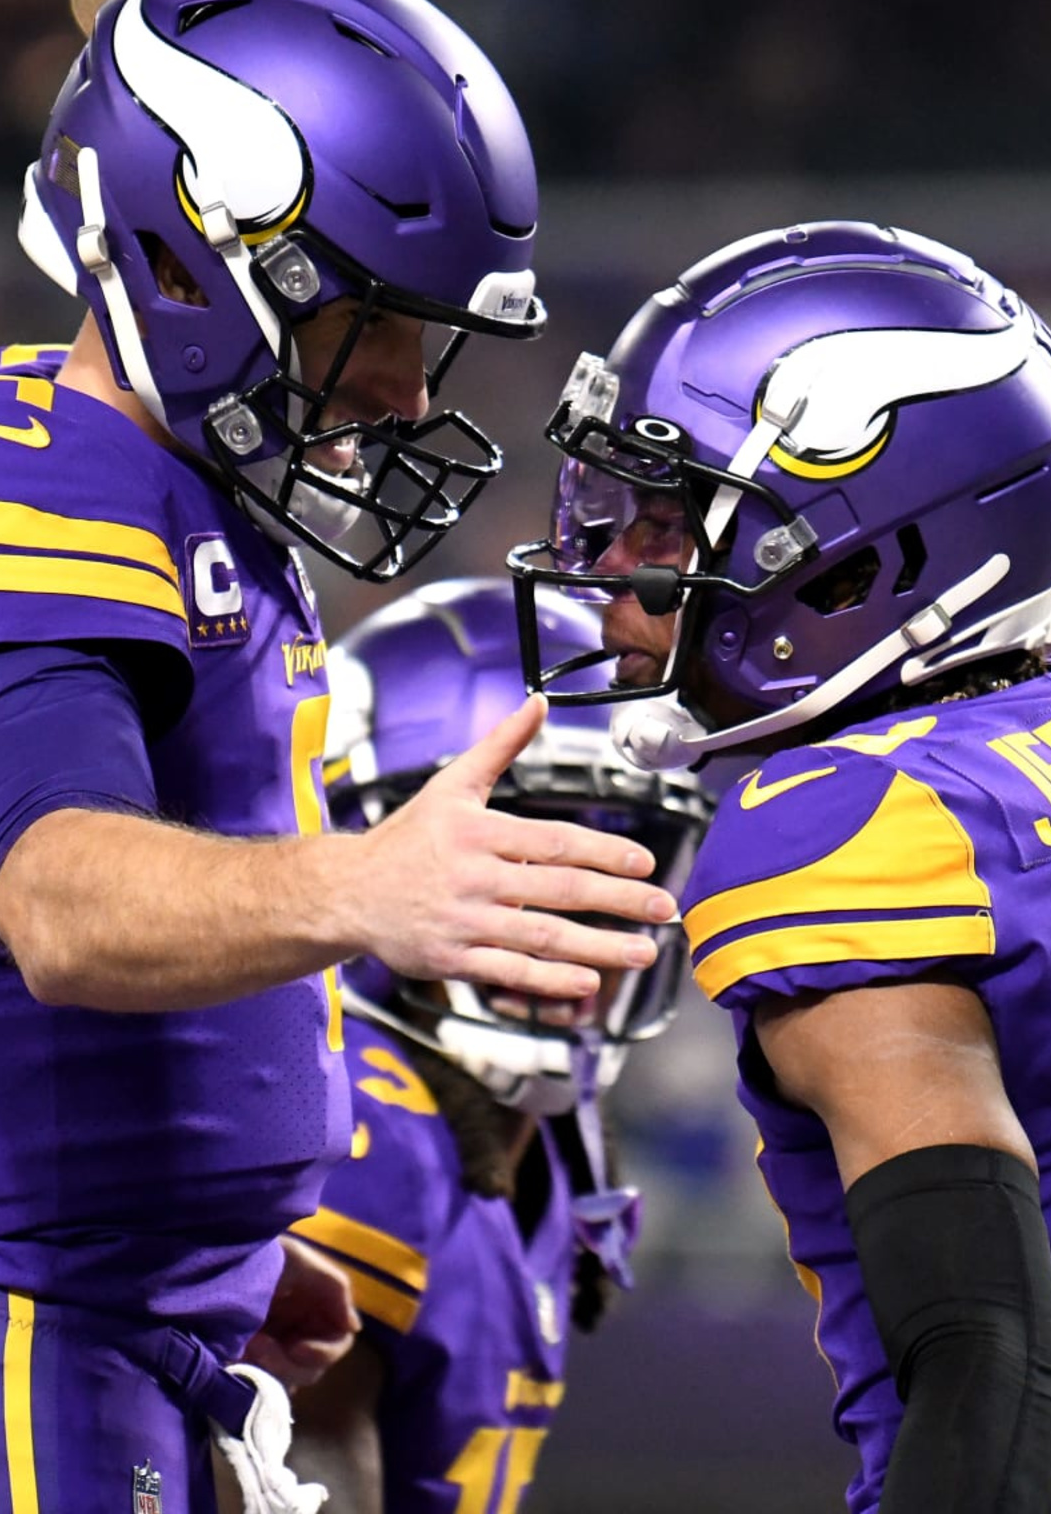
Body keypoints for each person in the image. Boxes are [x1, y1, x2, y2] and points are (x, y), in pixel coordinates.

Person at [0, 0, 675, 1514]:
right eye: (362, 323)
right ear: (187, 263)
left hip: (129, 1356)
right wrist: (367, 887)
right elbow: (61, 902)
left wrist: (216, 1263)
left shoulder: (207, 525)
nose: (398, 388)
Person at [508, 220, 1051, 1514]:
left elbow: (989, 1369)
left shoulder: (840, 827)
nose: (610, 571)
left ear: (868, 555)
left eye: (670, 526)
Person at [259, 578, 707, 1514]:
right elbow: (280, 1485)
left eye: (615, 864)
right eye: (510, 865)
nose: (562, 924)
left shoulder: (552, 1151)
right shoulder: (352, 1132)